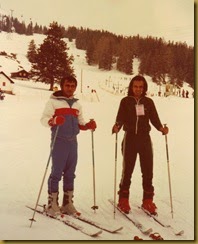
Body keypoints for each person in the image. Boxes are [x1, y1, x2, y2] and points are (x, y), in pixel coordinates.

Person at [41, 75, 97, 216]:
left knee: (70, 173)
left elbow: (80, 123)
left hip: (73, 142)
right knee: (57, 172)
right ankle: (52, 203)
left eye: (73, 86)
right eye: (67, 85)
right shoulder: (53, 102)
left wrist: (88, 125)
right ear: (62, 86)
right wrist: (53, 120)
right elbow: (44, 119)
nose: (70, 88)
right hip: (59, 140)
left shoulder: (77, 105)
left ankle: (67, 203)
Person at [112, 75, 168, 215]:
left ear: (144, 88)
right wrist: (117, 125)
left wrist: (161, 128)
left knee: (148, 170)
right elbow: (120, 117)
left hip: (144, 139)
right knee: (128, 170)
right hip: (130, 138)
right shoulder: (125, 101)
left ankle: (147, 200)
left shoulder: (148, 102)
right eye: (135, 86)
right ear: (131, 87)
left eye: (141, 87)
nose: (138, 89)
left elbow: (154, 118)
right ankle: (123, 199)